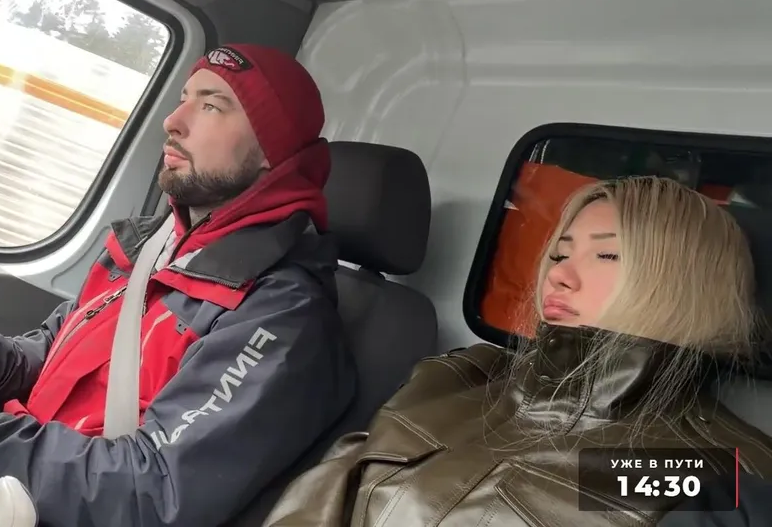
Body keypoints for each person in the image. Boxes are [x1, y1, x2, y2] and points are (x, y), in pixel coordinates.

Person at [0, 43, 356, 527]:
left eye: (211, 106)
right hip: (28, 466)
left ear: (270, 149)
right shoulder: (155, 246)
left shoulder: (281, 315)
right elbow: (54, 351)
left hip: (64, 505)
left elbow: (153, 489)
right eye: (184, 97)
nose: (173, 120)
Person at [261, 176, 772, 527]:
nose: (560, 273)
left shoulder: (707, 472)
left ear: (683, 284)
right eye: (561, 251)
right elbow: (324, 497)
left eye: (607, 254)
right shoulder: (461, 376)